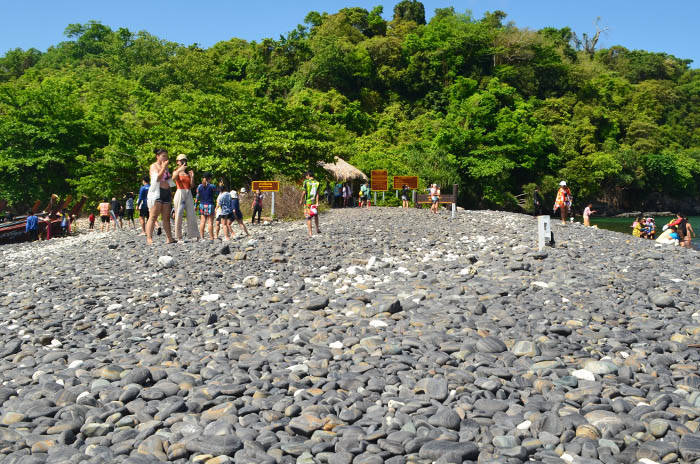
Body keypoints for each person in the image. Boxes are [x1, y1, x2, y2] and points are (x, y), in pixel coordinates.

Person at [146, 148, 175, 245]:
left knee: (166, 217)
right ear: (157, 156)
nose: (165, 158)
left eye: (166, 156)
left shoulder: (166, 168)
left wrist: (171, 193)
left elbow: (169, 181)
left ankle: (169, 238)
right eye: (163, 156)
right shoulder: (153, 166)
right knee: (153, 216)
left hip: (166, 192)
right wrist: (163, 168)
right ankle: (149, 238)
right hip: (157, 192)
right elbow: (157, 179)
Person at [172, 154, 197, 241]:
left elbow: (192, 185)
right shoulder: (176, 171)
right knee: (178, 214)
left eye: (185, 160)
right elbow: (173, 178)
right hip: (180, 191)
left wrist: (192, 177)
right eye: (181, 160)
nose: (183, 161)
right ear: (177, 162)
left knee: (191, 213)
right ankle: (179, 237)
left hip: (188, 192)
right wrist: (180, 169)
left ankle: (194, 235)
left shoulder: (187, 173)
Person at [196, 172, 216, 240]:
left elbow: (197, 196)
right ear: (209, 178)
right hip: (210, 205)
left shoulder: (199, 186)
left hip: (202, 205)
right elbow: (217, 193)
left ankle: (202, 237)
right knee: (210, 222)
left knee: (202, 222)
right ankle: (211, 237)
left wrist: (195, 205)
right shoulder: (212, 186)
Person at [301, 171, 321, 237]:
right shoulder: (317, 182)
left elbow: (304, 192)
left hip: (307, 202)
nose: (305, 177)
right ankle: (317, 228)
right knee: (315, 215)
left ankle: (310, 233)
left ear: (308, 175)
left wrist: (301, 199)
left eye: (306, 176)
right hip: (314, 202)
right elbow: (317, 193)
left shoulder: (306, 182)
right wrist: (317, 202)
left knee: (309, 217)